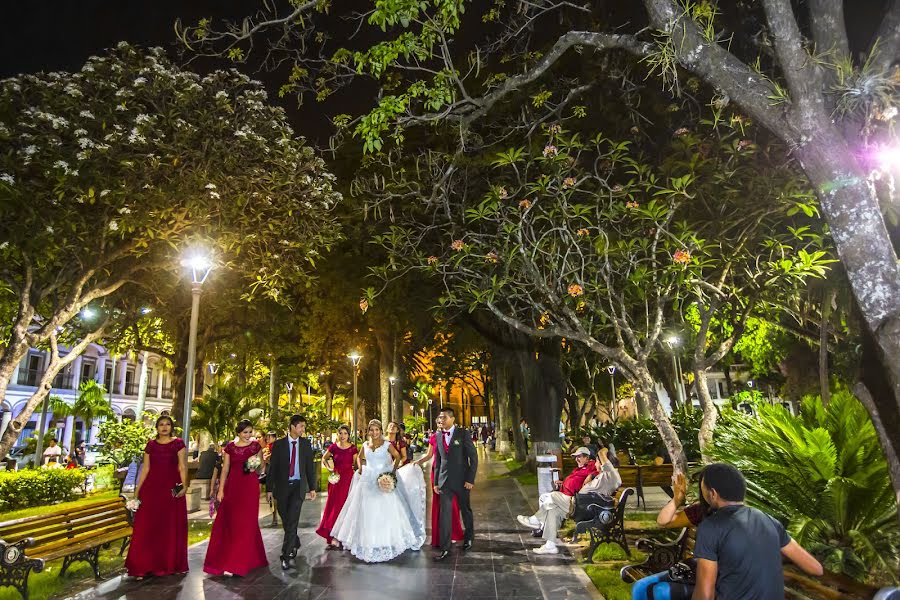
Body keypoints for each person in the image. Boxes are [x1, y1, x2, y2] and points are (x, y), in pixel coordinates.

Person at [692, 463, 822, 600]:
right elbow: (816, 568)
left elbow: (705, 595)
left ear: (713, 494)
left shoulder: (710, 527)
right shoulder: (769, 519)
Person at [331, 419, 426, 562]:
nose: (374, 433)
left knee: (385, 509)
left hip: (383, 479)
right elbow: (360, 458)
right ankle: (369, 540)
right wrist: (361, 468)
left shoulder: (387, 445)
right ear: (368, 431)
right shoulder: (365, 445)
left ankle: (385, 540)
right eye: (372, 430)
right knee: (367, 510)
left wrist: (391, 472)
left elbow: (398, 456)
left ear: (381, 431)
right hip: (368, 479)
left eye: (377, 430)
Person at [515, 446, 610, 555]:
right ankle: (550, 545)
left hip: (577, 503)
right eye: (575, 457)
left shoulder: (591, 465)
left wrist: (591, 475)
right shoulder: (579, 468)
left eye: (579, 457)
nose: (577, 459)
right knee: (551, 510)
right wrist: (563, 483)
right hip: (568, 498)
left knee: (552, 496)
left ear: (587, 457)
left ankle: (536, 521)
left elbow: (599, 472)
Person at [125, 415, 188, 578]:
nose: (164, 427)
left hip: (171, 490)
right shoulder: (151, 445)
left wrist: (184, 485)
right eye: (161, 424)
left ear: (171, 427)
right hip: (151, 491)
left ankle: (168, 563)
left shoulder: (178, 443)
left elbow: (182, 466)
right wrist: (137, 491)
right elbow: (145, 469)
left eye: (167, 424)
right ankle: (144, 564)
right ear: (157, 428)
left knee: (169, 526)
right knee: (147, 527)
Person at [631, 472, 710, 600]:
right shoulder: (701, 510)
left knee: (660, 592)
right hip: (694, 572)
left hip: (712, 579)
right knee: (640, 587)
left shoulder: (735, 518)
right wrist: (676, 500)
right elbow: (663, 521)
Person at [203, 420, 268, 577]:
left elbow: (261, 467)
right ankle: (241, 558)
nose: (248, 435)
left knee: (247, 523)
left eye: (250, 432)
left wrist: (257, 464)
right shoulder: (230, 447)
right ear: (238, 433)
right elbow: (225, 470)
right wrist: (221, 491)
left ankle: (239, 563)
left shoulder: (255, 446)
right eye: (245, 432)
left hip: (250, 487)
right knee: (231, 523)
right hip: (233, 486)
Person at [265, 414, 318, 570]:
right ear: (293, 427)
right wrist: (269, 488)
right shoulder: (279, 445)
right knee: (286, 519)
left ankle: (286, 554)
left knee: (293, 519)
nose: (303, 429)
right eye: (301, 426)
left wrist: (312, 487)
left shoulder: (306, 445)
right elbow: (272, 468)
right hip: (282, 488)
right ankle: (294, 540)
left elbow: (309, 468)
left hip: (298, 488)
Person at [433, 407, 478, 561]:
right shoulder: (438, 435)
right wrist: (436, 482)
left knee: (465, 510)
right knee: (445, 515)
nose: (441, 420)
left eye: (444, 417)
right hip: (444, 482)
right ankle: (445, 548)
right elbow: (438, 461)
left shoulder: (462, 433)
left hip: (462, 481)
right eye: (439, 417)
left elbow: (474, 457)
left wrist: (470, 480)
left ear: (452, 419)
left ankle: (469, 538)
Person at [415, 415, 465, 548]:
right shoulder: (434, 437)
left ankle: (454, 533)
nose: (440, 423)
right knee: (438, 504)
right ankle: (439, 536)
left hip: (451, 473)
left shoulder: (454, 436)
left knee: (452, 503)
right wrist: (417, 462)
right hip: (436, 473)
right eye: (438, 422)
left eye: (442, 421)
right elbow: (429, 455)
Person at [316, 424, 358, 548]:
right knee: (335, 507)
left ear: (349, 435)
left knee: (347, 506)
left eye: (345, 433)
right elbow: (324, 459)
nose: (343, 436)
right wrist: (330, 469)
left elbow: (356, 465)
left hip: (349, 479)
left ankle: (345, 535)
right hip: (337, 479)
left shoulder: (353, 448)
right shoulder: (333, 447)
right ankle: (333, 535)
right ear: (338, 434)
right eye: (341, 433)